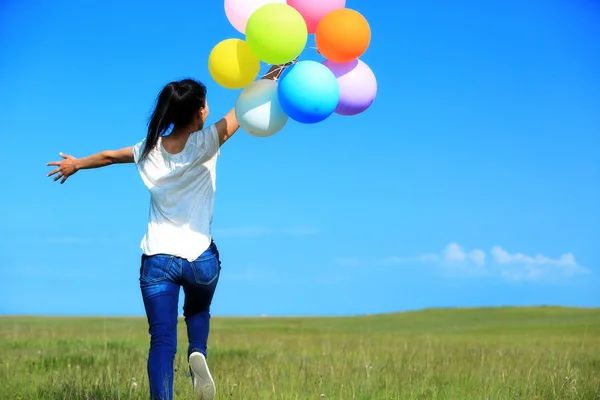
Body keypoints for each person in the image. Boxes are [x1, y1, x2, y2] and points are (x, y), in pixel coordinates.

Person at [46, 62, 292, 400]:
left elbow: (106, 156)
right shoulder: (208, 141)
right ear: (198, 113)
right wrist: (275, 72)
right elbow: (245, 107)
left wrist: (75, 164)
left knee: (161, 340)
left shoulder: (147, 150)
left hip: (158, 260)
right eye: (205, 104)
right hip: (200, 259)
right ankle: (198, 351)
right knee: (197, 309)